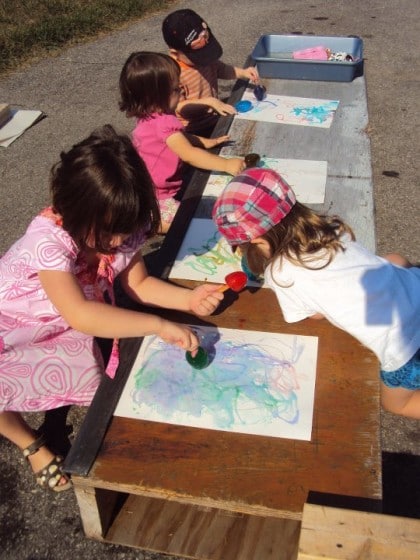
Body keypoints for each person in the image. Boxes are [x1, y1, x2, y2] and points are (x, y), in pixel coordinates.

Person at [0, 125, 224, 493]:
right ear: (74, 210)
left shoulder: (119, 224)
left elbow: (137, 283)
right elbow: (82, 315)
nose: (119, 242)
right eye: (109, 234)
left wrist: (187, 300)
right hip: (14, 319)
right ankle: (29, 443)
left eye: (126, 229)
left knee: (64, 368)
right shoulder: (48, 241)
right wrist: (157, 324)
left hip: (63, 318)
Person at [212, 167, 420, 420]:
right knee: (393, 260)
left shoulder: (281, 273)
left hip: (406, 347)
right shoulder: (327, 228)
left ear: (256, 242)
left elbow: (316, 315)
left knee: (396, 405)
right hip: (413, 290)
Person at [119, 51, 245, 234]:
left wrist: (206, 142)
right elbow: (189, 154)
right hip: (161, 195)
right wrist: (226, 164)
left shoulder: (149, 116)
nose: (182, 90)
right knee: (189, 223)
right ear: (155, 97)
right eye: (176, 89)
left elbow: (180, 139)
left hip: (145, 183)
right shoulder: (164, 123)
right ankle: (150, 223)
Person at [162, 8, 260, 136]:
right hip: (193, 130)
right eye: (198, 56)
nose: (204, 59)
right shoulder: (173, 74)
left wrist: (243, 72)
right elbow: (179, 107)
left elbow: (222, 69)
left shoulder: (206, 60)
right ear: (175, 53)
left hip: (214, 115)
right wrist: (209, 102)